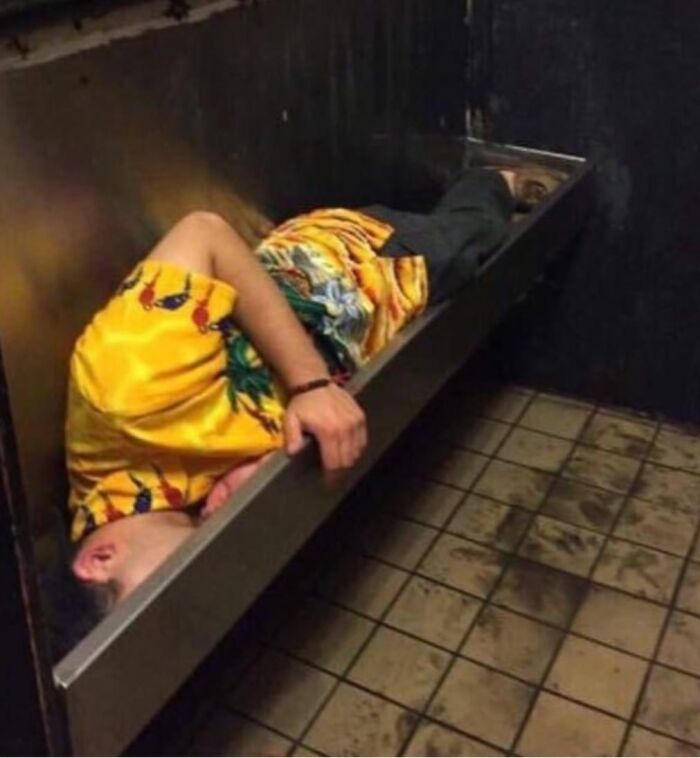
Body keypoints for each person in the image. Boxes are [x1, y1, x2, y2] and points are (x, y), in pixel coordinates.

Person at [66, 165, 562, 608]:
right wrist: (251, 469)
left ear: (100, 558)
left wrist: (309, 385)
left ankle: (497, 178)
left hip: (362, 264)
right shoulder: (150, 503)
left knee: (475, 232)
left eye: (165, 593)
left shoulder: (124, 397)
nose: (190, 594)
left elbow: (204, 232)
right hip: (367, 321)